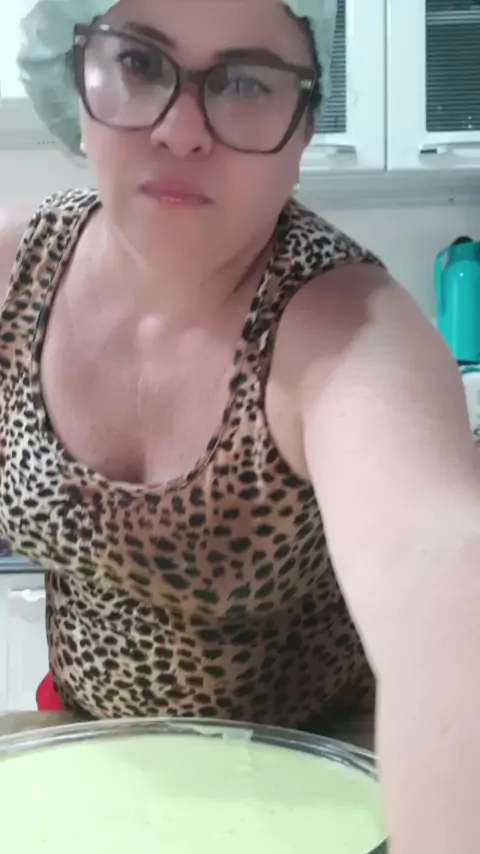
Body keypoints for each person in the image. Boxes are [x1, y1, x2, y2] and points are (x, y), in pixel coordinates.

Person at [0, 0, 479, 851]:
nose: (182, 130)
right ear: (76, 75)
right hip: (89, 767)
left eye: (246, 80)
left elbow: (444, 587)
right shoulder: (12, 275)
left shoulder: (345, 328)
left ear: (305, 123)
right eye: (141, 63)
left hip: (327, 791)